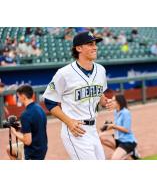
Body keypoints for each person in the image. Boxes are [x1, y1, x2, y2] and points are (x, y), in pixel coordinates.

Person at [43, 31, 113, 160]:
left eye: (95, 44)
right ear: (79, 48)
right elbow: (49, 101)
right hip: (76, 131)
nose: (95, 47)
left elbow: (100, 94)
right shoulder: (64, 73)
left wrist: (105, 102)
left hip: (93, 129)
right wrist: (69, 122)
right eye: (90, 44)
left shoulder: (101, 70)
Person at [7, 85, 48, 160]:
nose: (18, 99)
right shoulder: (40, 108)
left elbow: (27, 141)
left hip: (33, 153)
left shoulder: (25, 114)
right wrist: (21, 128)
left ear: (23, 96)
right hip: (42, 148)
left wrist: (14, 132)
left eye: (18, 96)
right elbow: (35, 128)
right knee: (9, 149)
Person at [99, 94, 140, 160]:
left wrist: (113, 126)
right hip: (119, 140)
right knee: (101, 138)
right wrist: (108, 126)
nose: (111, 102)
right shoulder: (116, 111)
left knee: (114, 159)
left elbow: (127, 130)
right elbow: (116, 125)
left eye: (113, 100)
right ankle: (125, 153)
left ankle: (130, 151)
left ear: (119, 102)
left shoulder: (125, 112)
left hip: (128, 142)